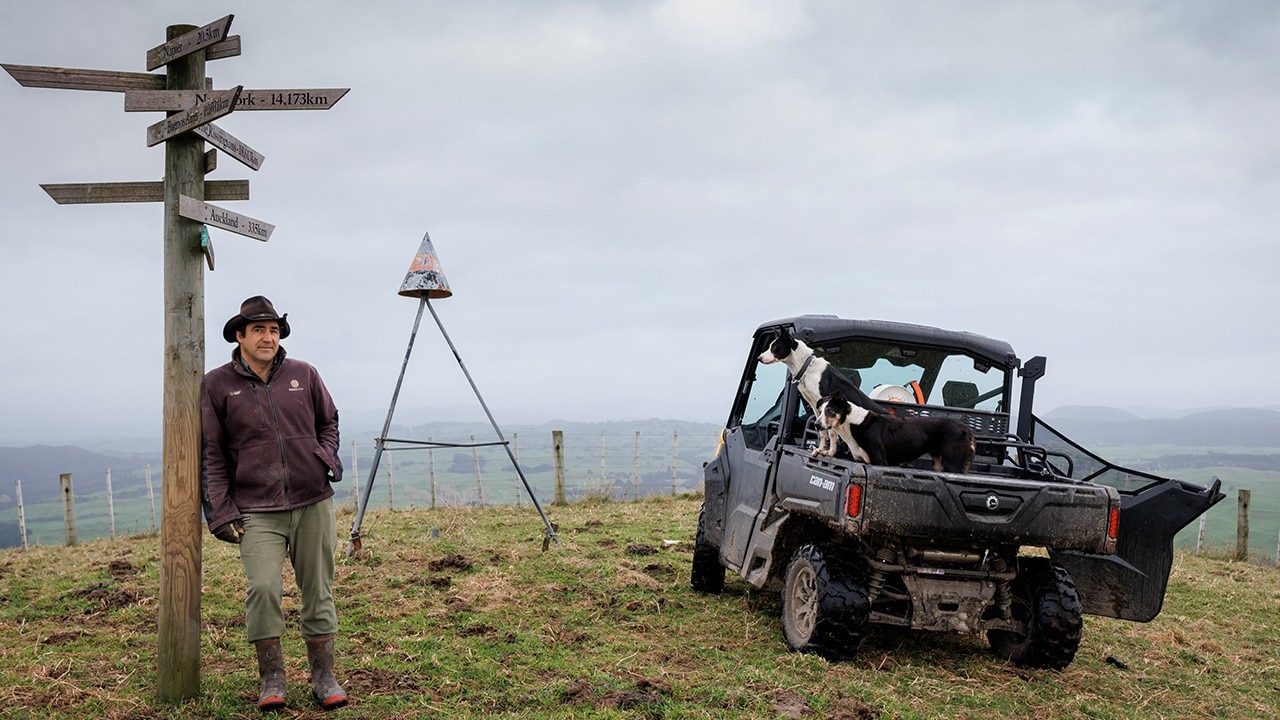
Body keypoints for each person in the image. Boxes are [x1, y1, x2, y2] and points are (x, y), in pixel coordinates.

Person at [201, 296, 349, 711]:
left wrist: (325, 457)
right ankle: (272, 678)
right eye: (259, 330)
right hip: (256, 508)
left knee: (317, 589)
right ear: (240, 336)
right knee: (264, 588)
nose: (268, 337)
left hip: (312, 500)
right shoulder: (216, 385)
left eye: (273, 329)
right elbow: (211, 452)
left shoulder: (305, 374)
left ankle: (323, 675)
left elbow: (329, 421)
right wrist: (220, 511)